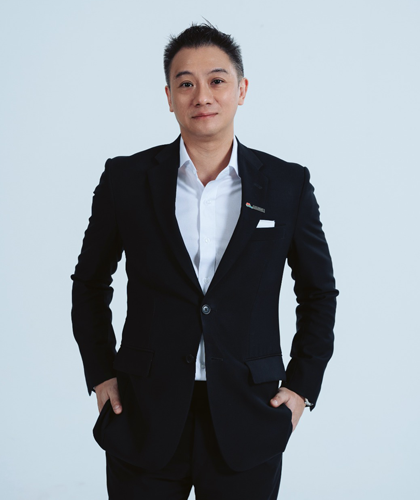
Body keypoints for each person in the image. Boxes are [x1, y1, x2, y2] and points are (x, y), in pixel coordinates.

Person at [71, 22, 338, 500]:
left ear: (242, 90)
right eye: (185, 83)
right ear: (169, 97)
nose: (202, 96)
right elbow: (90, 282)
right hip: (144, 412)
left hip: (249, 414)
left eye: (217, 80)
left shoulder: (287, 185)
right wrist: (101, 373)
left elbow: (318, 293)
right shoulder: (126, 179)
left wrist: (302, 387)